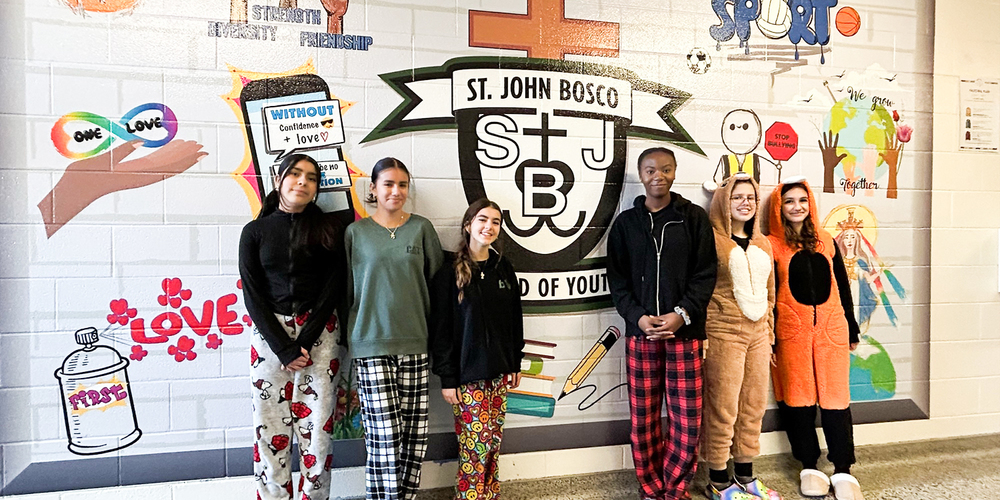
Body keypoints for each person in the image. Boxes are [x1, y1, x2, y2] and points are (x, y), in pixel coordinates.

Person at [607, 147, 718, 500]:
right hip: (642, 335)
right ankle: (652, 487)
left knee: (687, 419)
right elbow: (617, 281)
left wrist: (680, 314)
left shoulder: (694, 218)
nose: (659, 176)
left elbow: (706, 274)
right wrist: (639, 318)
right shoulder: (626, 224)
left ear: (674, 172)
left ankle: (676, 488)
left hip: (685, 333)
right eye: (651, 170)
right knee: (644, 417)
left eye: (666, 169)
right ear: (641, 175)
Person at [239, 153, 347, 500]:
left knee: (316, 433)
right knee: (269, 431)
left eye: (311, 178)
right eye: (295, 174)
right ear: (278, 180)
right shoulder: (254, 232)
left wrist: (307, 339)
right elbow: (252, 294)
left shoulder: (329, 230)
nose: (302, 182)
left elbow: (334, 286)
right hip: (270, 340)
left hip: (321, 336)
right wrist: (283, 348)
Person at [346, 157, 443, 500]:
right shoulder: (356, 233)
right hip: (370, 344)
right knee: (385, 435)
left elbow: (438, 286)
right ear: (373, 188)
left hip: (416, 342)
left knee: (414, 437)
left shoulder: (421, 228)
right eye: (388, 184)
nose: (396, 191)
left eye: (402, 184)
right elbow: (346, 290)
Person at [765, 177, 863, 500]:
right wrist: (771, 339)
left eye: (802, 200)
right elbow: (769, 294)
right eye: (789, 201)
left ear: (810, 205)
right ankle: (809, 464)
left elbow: (842, 287)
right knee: (798, 401)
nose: (797, 207)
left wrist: (851, 326)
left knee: (836, 401)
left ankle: (844, 468)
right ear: (779, 207)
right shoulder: (772, 245)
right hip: (791, 334)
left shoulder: (826, 240)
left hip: (831, 331)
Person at [430, 198, 524, 500]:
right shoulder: (448, 273)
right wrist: (447, 377)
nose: (489, 226)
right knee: (475, 445)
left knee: (492, 443)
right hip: (467, 376)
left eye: (496, 222)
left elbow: (514, 320)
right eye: (483, 219)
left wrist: (514, 362)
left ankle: (489, 495)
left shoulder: (503, 268)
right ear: (469, 225)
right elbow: (441, 331)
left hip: (499, 372)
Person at [702, 175, 782, 500]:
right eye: (738, 197)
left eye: (750, 197)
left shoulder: (763, 243)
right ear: (724, 202)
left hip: (759, 334)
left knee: (753, 406)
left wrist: (771, 335)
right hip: (723, 332)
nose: (745, 202)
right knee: (723, 406)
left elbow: (771, 294)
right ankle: (718, 482)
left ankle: (745, 477)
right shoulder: (712, 241)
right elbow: (700, 288)